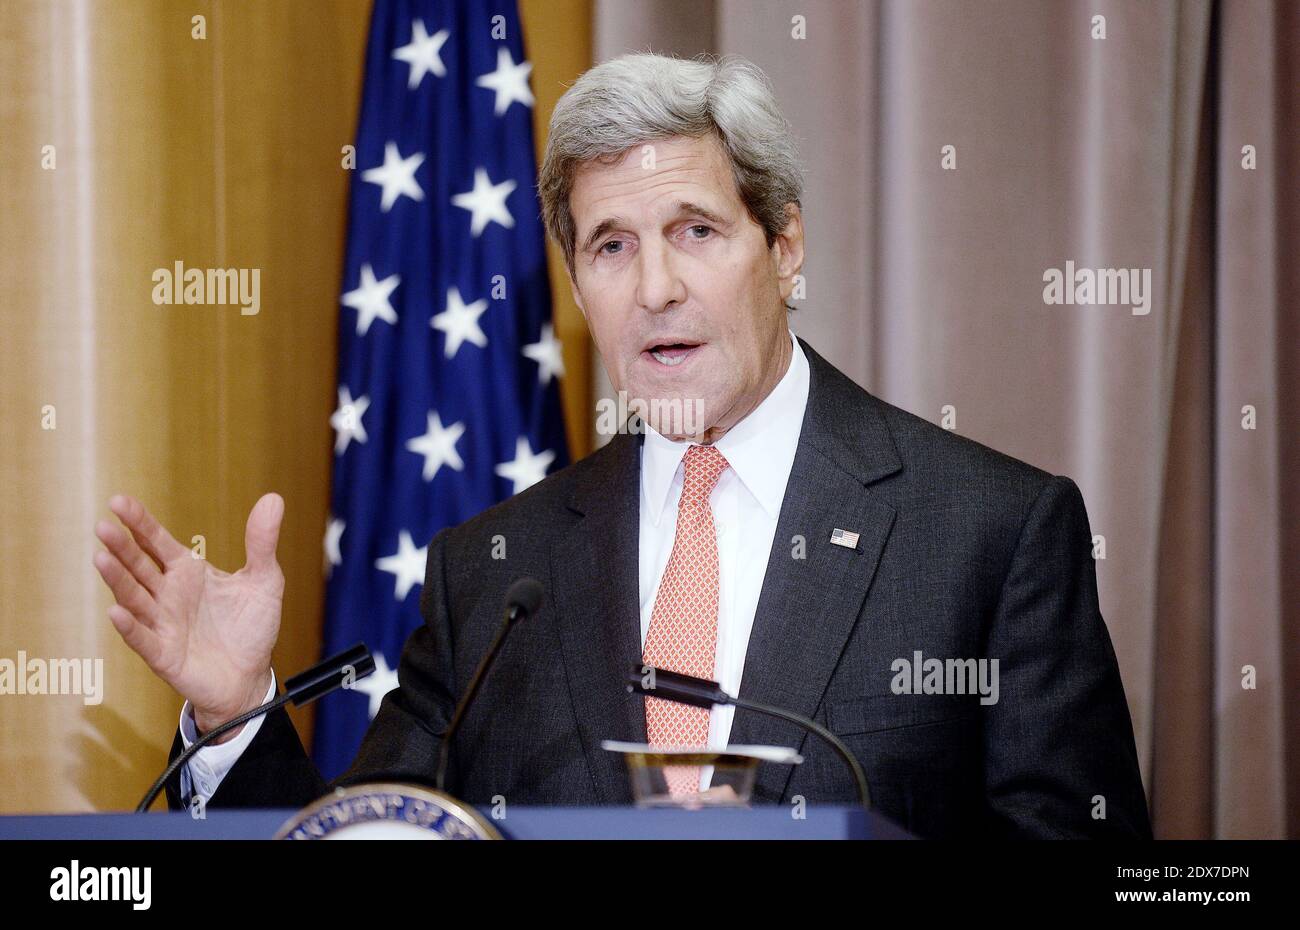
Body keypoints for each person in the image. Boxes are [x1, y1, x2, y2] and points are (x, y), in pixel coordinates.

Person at [93, 53, 1151, 838]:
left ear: (784, 248)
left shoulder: (986, 533)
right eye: (610, 246)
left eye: (695, 230)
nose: (654, 289)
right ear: (576, 283)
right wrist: (237, 715)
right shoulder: (495, 573)